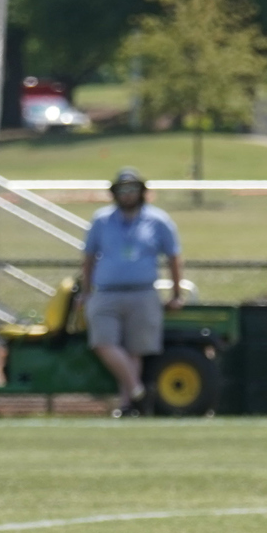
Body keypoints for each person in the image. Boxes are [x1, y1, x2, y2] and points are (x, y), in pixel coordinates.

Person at [79, 168, 183, 416]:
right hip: (106, 293)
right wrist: (86, 291)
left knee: (136, 350)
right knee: (103, 343)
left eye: (133, 189)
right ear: (115, 193)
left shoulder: (158, 221)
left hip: (143, 293)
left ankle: (128, 406)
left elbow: (174, 257)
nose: (128, 195)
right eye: (123, 190)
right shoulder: (101, 220)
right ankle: (138, 391)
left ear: (142, 192)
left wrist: (177, 293)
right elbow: (89, 258)